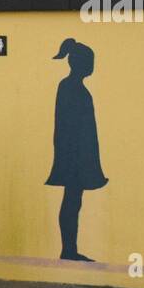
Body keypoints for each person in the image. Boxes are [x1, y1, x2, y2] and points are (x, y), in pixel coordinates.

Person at [46, 38, 107, 261]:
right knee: (72, 200)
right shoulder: (70, 87)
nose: (93, 65)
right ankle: (68, 250)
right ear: (80, 63)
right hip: (74, 156)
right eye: (90, 61)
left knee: (74, 200)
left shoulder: (74, 87)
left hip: (78, 155)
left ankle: (69, 249)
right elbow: (69, 125)